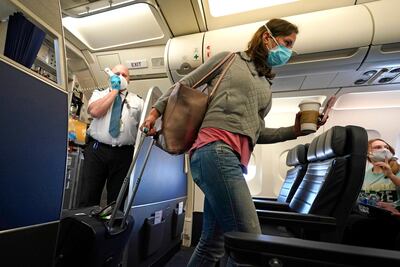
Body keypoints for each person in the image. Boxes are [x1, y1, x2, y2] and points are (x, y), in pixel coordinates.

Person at [141, 19, 320, 266]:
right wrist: (154, 112)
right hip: (214, 151)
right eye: (287, 43)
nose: (288, 51)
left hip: (232, 159)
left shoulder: (265, 84)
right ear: (267, 38)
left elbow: (255, 133)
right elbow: (184, 84)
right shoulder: (229, 59)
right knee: (250, 244)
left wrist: (295, 131)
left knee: (212, 246)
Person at [79, 64, 143, 208]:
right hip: (97, 151)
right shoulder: (98, 94)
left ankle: (112, 228)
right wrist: (114, 91)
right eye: (116, 74)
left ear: (129, 79)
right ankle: (86, 229)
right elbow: (95, 112)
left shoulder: (138, 101)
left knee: (117, 201)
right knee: (89, 196)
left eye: (124, 75)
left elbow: (145, 126)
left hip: (123, 154)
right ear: (110, 77)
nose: (120, 77)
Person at [344, 138, 400, 249]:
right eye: (378, 147)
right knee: (346, 219)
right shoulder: (364, 174)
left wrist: (391, 176)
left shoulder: (397, 170)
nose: (384, 149)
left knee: (357, 225)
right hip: (371, 213)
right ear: (369, 154)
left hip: (393, 216)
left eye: (386, 147)